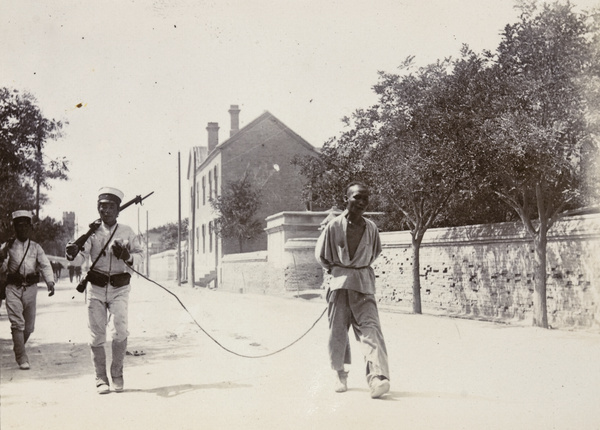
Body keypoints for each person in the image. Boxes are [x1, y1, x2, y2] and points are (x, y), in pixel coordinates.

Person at [314, 181, 390, 399]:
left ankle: (377, 378)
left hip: (364, 285)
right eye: (357, 197)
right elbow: (322, 256)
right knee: (338, 331)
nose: (362, 202)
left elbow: (374, 252)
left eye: (365, 198)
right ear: (346, 198)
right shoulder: (334, 226)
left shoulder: (372, 228)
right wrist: (340, 273)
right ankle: (339, 373)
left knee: (371, 330)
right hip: (339, 286)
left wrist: (357, 269)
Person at [65, 187, 144, 394]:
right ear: (98, 209)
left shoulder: (127, 231)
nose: (106, 210)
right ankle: (101, 378)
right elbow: (82, 257)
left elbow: (140, 256)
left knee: (120, 329)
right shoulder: (91, 232)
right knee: (96, 333)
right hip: (97, 287)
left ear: (118, 210)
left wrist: (127, 256)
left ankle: (117, 373)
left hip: (120, 287)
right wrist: (72, 253)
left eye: (110, 207)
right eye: (102, 207)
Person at [0, 210, 55, 370]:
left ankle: (18, 346)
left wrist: (50, 281)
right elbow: (2, 269)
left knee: (29, 327)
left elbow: (45, 264)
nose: (22, 229)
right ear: (14, 228)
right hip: (13, 288)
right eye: (19, 226)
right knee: (18, 323)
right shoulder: (7, 247)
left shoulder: (36, 248)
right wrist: (1, 256)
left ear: (30, 228)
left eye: (25, 226)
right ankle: (22, 357)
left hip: (31, 289)